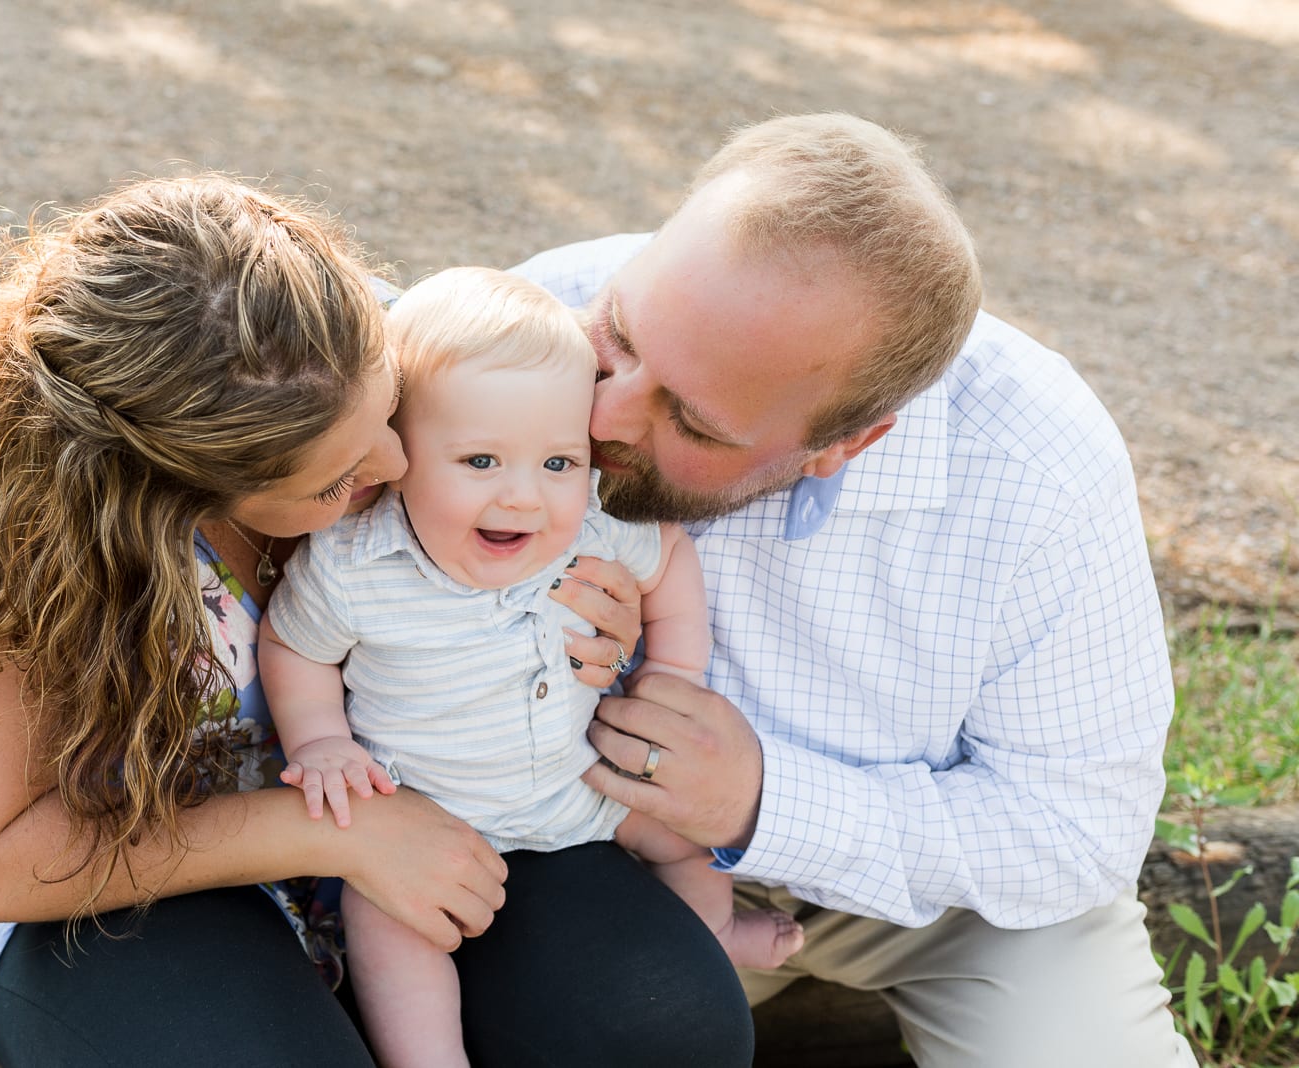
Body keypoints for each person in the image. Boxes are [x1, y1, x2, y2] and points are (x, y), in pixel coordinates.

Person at [0, 175, 754, 1066]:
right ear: (182, 494)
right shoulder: (6, 563)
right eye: (334, 479)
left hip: (439, 796)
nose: (397, 463)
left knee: (666, 1029)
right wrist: (326, 831)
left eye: (391, 408)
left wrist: (583, 607)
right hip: (123, 875)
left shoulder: (326, 358)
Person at [512, 113, 1197, 1067]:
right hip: (605, 867)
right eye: (621, 339)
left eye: (693, 424)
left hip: (956, 910)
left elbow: (1076, 832)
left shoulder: (1038, 467)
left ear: (848, 442)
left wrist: (763, 802)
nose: (603, 411)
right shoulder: (539, 315)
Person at [259, 267, 798, 1067]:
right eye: (480, 462)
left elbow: (668, 561)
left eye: (558, 463)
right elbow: (294, 645)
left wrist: (676, 670)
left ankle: (716, 931)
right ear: (398, 456)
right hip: (431, 819)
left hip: (579, 793)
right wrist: (320, 742)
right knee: (390, 929)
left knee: (685, 834)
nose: (525, 498)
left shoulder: (593, 531)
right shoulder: (356, 566)